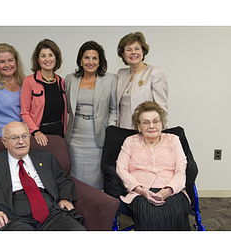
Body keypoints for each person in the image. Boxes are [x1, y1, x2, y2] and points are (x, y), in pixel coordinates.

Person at [0, 121, 85, 231]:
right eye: (14, 138)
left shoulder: (46, 158)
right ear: (4, 142)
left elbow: (63, 181)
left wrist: (64, 198)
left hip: (51, 211)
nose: (21, 142)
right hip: (12, 216)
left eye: (25, 136)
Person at [116, 101, 191, 230]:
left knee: (176, 212)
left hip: (172, 190)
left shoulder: (173, 140)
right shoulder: (130, 141)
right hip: (140, 192)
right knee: (148, 214)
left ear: (162, 124)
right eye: (146, 122)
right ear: (139, 127)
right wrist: (141, 190)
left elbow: (181, 168)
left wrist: (168, 190)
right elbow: (120, 168)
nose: (151, 126)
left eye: (155, 121)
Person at [65, 41, 117, 190]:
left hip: (98, 138)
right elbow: (68, 108)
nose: (90, 62)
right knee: (75, 177)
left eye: (94, 58)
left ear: (100, 61)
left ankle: (94, 210)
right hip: (75, 137)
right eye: (86, 58)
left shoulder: (110, 80)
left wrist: (109, 130)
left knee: (96, 179)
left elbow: (114, 109)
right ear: (80, 60)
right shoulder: (70, 79)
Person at [20, 39, 67, 147]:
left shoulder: (62, 82)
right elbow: (24, 112)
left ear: (56, 58)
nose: (47, 59)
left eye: (50, 55)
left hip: (59, 136)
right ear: (37, 59)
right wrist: (36, 132)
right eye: (43, 56)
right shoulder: (29, 81)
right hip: (38, 136)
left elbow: (68, 109)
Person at [116, 32, 168, 128]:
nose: (133, 52)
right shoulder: (121, 74)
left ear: (143, 51)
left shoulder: (156, 73)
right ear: (123, 54)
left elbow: (161, 110)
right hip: (122, 131)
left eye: (137, 48)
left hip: (146, 132)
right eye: (128, 50)